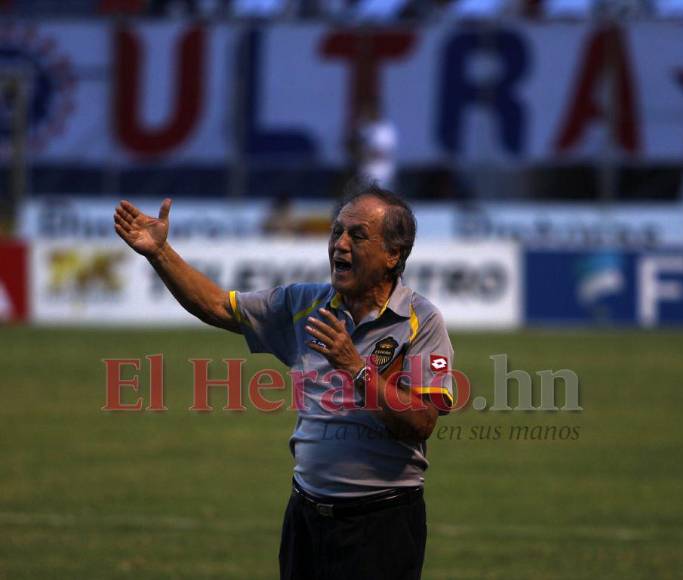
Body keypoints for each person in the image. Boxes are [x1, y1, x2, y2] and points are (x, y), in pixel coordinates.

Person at [113, 183, 454, 580]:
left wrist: (355, 367)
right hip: (306, 518)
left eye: (358, 236)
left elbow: (421, 421)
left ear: (393, 254)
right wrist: (159, 253)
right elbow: (218, 306)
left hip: (382, 523)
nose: (340, 244)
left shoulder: (421, 321)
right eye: (337, 231)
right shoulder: (304, 304)